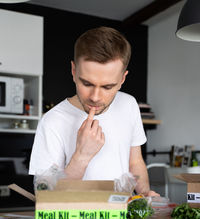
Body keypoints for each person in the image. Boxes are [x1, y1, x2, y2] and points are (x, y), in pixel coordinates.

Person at [29, 26, 158, 197]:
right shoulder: (52, 120)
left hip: (121, 217)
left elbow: (135, 162)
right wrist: (82, 155)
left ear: (122, 79)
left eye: (107, 86)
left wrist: (145, 193)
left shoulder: (129, 104)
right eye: (87, 84)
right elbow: (43, 194)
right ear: (74, 72)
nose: (95, 97)